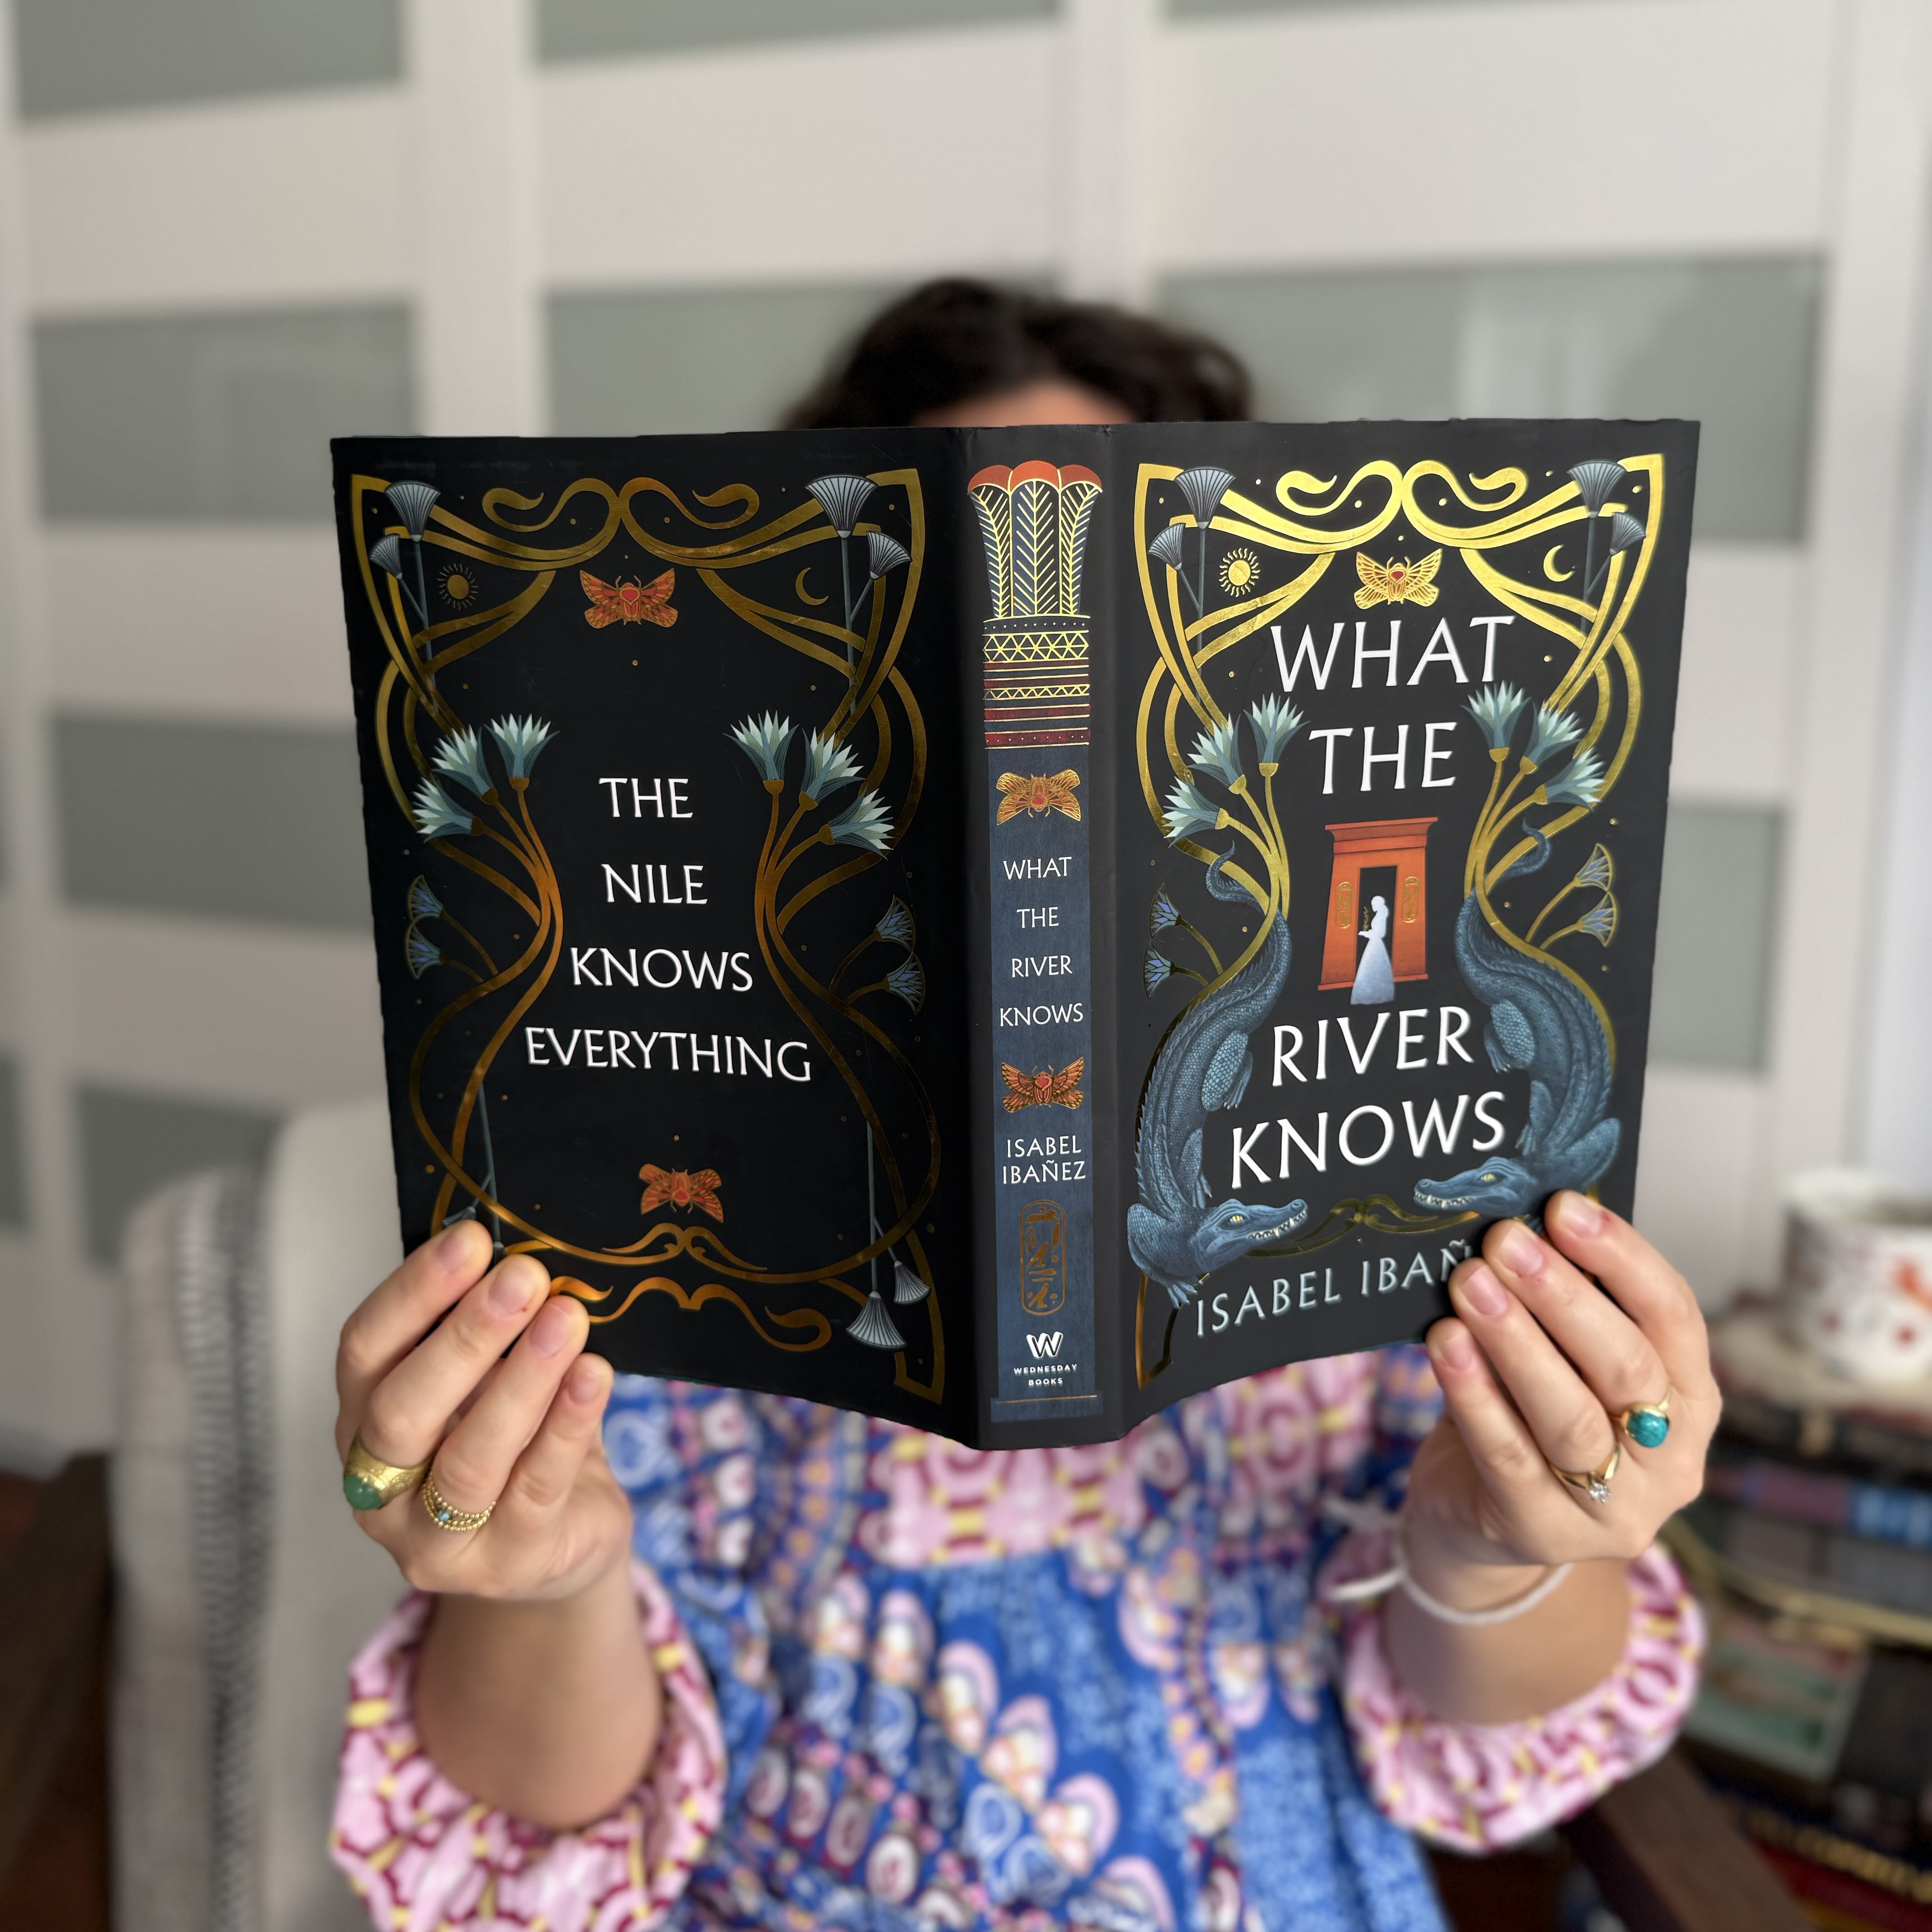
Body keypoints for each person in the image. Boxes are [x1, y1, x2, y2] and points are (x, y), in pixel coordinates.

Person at [329, 280, 1711, 1932]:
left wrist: (1498, 1541)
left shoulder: (1399, 1137)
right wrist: (542, 1577)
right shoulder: (639, 1175)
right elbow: (548, 1820)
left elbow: (1490, 1731)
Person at [1352, 894, 1395, 1007]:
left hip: (1376, 944)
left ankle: (1374, 994)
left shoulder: (1381, 916)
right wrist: (1368, 933)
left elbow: (1381, 933)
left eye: (1373, 904)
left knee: (1372, 967)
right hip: (1374, 943)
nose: (1372, 907)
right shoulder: (1379, 915)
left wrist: (1368, 934)